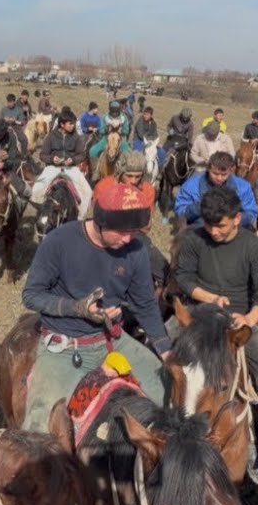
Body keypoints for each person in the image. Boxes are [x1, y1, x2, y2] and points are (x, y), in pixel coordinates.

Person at [20, 183, 170, 433]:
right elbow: (31, 295)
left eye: (133, 232)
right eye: (122, 232)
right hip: (65, 346)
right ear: (101, 222)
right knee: (40, 429)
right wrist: (78, 308)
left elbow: (145, 304)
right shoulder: (59, 241)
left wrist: (165, 350)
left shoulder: (136, 250)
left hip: (113, 339)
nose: (128, 239)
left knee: (169, 397)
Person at [173, 186, 258, 400]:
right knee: (165, 365)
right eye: (208, 224)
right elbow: (184, 278)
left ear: (237, 219)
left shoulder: (255, 247)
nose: (213, 232)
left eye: (220, 225)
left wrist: (248, 319)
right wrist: (211, 298)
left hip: (238, 320)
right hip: (199, 315)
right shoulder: (193, 239)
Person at [32, 111, 93, 217]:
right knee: (36, 189)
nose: (73, 125)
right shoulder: (51, 136)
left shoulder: (76, 137)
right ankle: (41, 215)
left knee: (87, 191)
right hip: (52, 168)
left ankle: (80, 218)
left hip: (71, 168)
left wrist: (72, 160)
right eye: (70, 123)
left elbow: (82, 155)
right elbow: (42, 155)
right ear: (62, 124)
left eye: (73, 123)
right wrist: (52, 159)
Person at [175, 151, 258, 228]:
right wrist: (201, 206)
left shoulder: (243, 186)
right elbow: (180, 212)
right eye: (215, 173)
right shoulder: (191, 185)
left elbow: (251, 212)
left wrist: (231, 222)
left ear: (231, 170)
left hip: (233, 227)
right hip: (201, 227)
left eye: (224, 174)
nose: (219, 178)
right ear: (208, 168)